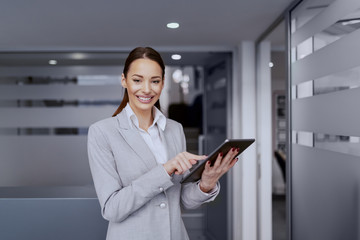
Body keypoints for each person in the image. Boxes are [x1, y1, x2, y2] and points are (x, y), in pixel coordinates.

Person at [87, 47, 240, 240]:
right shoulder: (102, 132)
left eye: (155, 81)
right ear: (124, 80)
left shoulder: (174, 129)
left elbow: (180, 201)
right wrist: (165, 170)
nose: (147, 89)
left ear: (162, 83)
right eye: (137, 80)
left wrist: (206, 184)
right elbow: (112, 209)